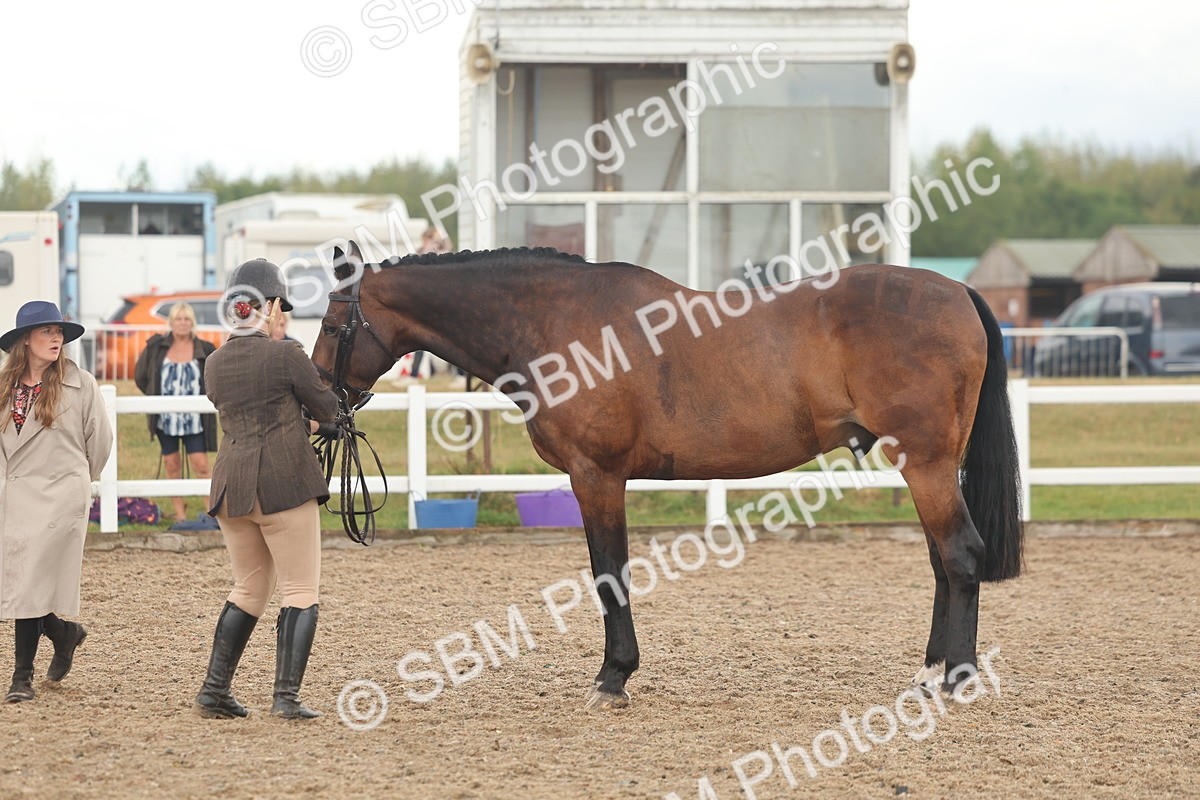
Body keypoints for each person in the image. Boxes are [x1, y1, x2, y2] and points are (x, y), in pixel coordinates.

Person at [194, 258, 338, 720]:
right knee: (300, 588)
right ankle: (286, 698)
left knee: (249, 587)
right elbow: (326, 407)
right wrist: (326, 418)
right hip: (282, 486)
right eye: (283, 307)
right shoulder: (285, 354)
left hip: (231, 490)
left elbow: (249, 407)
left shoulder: (214, 362)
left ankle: (214, 691)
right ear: (270, 305)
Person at [0, 301, 114, 703]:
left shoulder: (79, 383)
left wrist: (78, 481)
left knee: (28, 581)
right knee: (22, 582)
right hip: (15, 497)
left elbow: (99, 443)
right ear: (25, 340)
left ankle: (20, 678)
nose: (55, 338)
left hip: (59, 497)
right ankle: (64, 633)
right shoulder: (4, 385)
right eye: (46, 331)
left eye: (59, 332)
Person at [134, 303, 217, 523]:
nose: (182, 323)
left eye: (187, 319)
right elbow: (141, 377)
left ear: (192, 323)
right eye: (178, 319)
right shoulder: (156, 347)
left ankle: (212, 515)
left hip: (195, 420)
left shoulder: (206, 349)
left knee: (201, 464)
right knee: (172, 465)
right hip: (165, 419)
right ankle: (180, 516)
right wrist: (154, 397)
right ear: (170, 322)